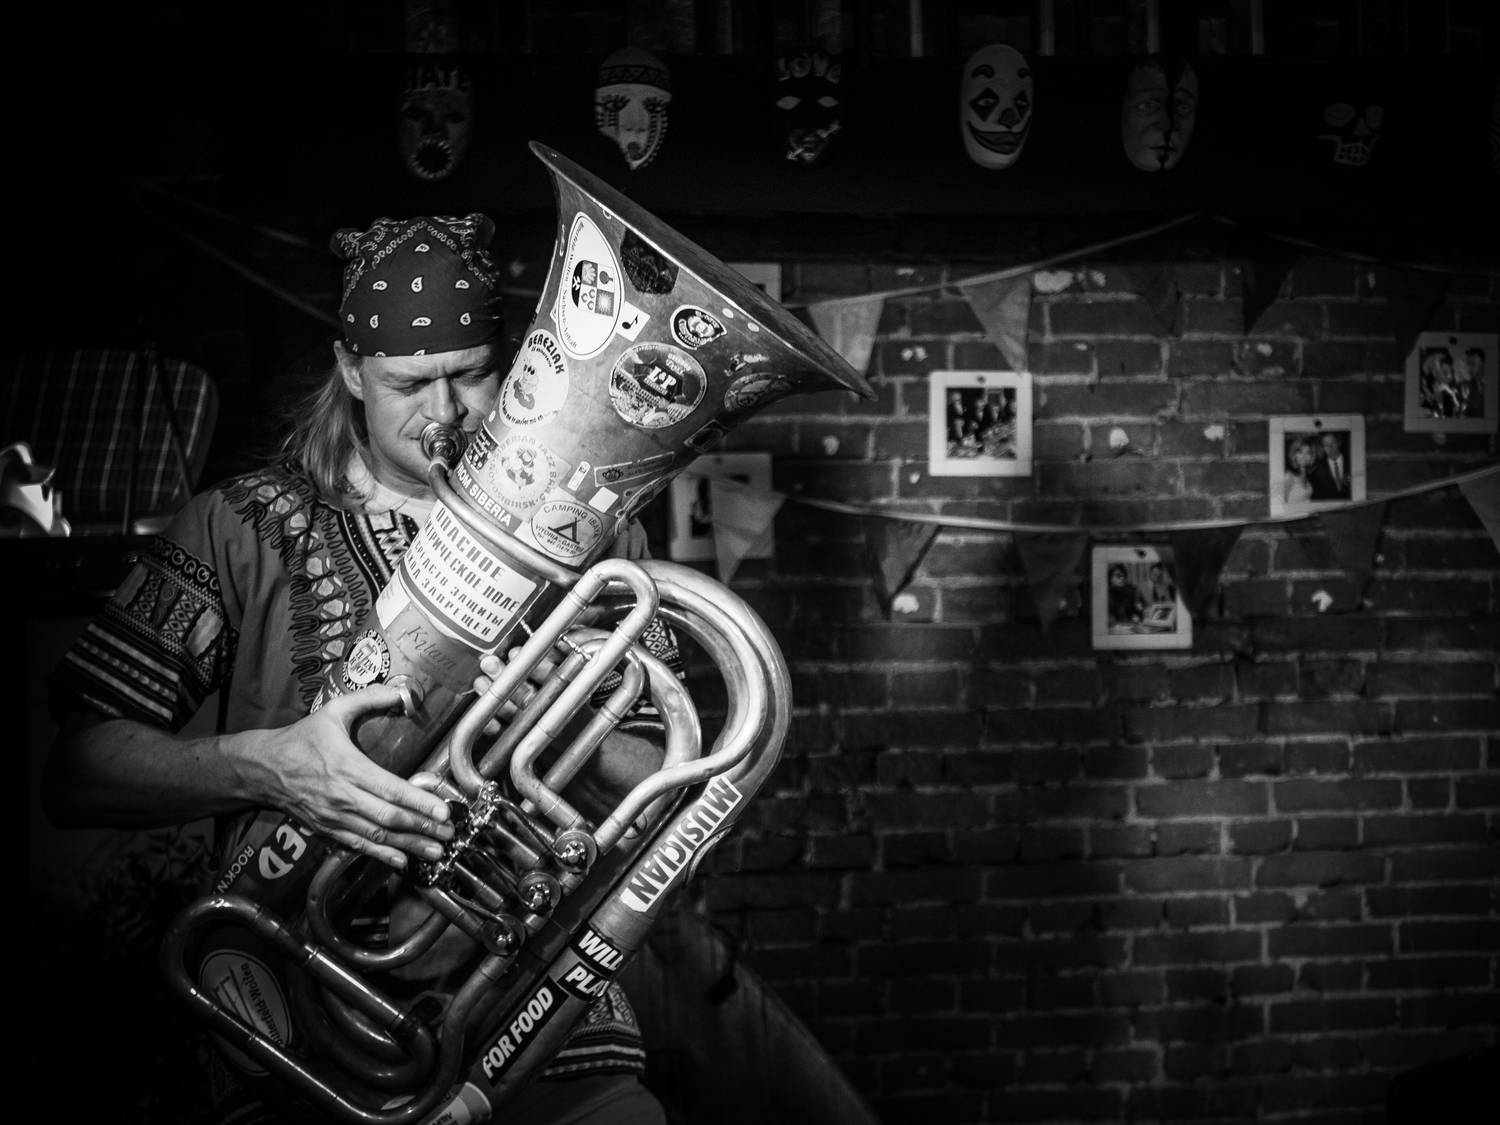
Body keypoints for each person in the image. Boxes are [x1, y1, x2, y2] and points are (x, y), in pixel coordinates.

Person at [42, 214, 672, 1125]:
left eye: (474, 373)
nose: (446, 411)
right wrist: (269, 766)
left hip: (546, 1022)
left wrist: (570, 721)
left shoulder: (596, 535)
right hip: (299, 1027)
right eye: (409, 382)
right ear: (349, 370)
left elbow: (665, 793)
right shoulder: (238, 525)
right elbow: (77, 772)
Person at [1308, 430, 1352, 501]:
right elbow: (1316, 495)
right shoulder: (1317, 468)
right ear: (1323, 447)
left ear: (1339, 443)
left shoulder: (1352, 460)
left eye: (1333, 442)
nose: (1330, 447)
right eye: (1326, 445)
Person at [1105, 563, 1145, 631]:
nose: (1122, 578)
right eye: (1118, 576)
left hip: (1130, 628)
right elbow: (1109, 619)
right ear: (1110, 578)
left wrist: (1137, 615)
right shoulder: (1105, 595)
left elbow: (1137, 611)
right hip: (1114, 630)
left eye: (1124, 576)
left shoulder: (1130, 591)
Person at [1283, 436, 1316, 506]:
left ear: (1311, 456)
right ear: (1293, 454)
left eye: (1308, 453)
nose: (1304, 456)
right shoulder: (1288, 476)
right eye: (1300, 452)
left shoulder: (1307, 473)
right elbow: (1282, 506)